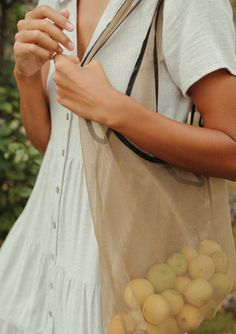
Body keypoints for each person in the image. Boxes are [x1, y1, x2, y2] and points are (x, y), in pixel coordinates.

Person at [0, 0, 235, 333]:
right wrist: (26, 73)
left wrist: (114, 111)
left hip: (119, 282)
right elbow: (51, 144)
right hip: (37, 259)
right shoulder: (56, 2)